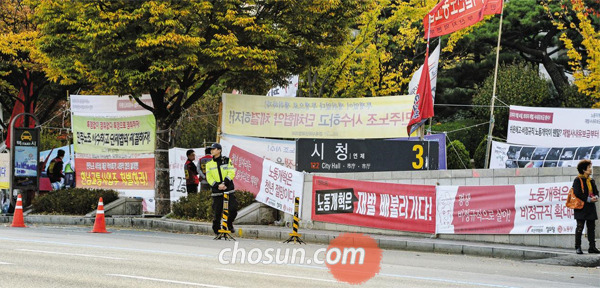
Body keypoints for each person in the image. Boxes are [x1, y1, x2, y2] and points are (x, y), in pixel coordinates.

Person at [205, 143, 237, 234]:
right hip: (217, 190)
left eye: (214, 149)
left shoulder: (227, 160)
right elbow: (209, 177)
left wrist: (224, 183)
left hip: (228, 188)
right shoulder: (209, 164)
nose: (212, 151)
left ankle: (229, 224)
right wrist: (217, 185)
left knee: (233, 209)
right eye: (211, 149)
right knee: (217, 211)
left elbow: (231, 172)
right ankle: (216, 229)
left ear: (219, 150)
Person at [573, 159, 599, 254]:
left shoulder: (591, 180)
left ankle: (592, 247)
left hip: (590, 207)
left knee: (591, 227)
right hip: (581, 207)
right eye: (589, 167)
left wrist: (596, 196)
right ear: (584, 169)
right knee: (580, 227)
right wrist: (588, 199)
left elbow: (596, 191)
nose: (590, 169)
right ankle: (577, 247)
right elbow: (577, 193)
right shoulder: (578, 180)